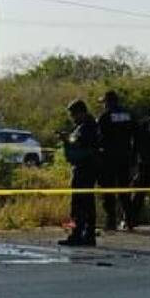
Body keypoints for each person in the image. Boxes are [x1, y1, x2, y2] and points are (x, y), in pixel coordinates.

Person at [59, 98, 100, 247]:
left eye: (73, 115)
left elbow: (79, 146)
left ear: (80, 113)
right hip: (86, 168)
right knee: (86, 204)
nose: (72, 118)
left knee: (79, 204)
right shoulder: (87, 126)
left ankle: (77, 234)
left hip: (84, 168)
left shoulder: (86, 128)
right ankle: (84, 234)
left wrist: (66, 141)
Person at [95, 90, 136, 231]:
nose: (103, 105)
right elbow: (136, 134)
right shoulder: (128, 115)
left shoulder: (105, 116)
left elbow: (98, 137)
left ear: (108, 102)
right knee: (125, 189)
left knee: (109, 190)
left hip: (109, 158)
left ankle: (111, 220)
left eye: (104, 102)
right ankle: (129, 219)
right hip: (125, 157)